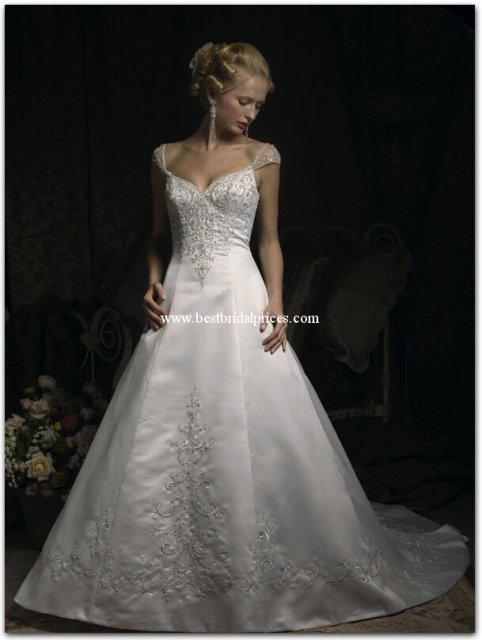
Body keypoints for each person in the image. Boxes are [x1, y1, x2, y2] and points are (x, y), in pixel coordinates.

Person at [13, 41, 470, 633]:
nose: (252, 113)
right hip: (179, 306)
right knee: (157, 434)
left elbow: (270, 241)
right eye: (244, 101)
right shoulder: (164, 158)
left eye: (258, 104)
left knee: (255, 429)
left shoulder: (264, 157)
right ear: (211, 93)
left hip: (241, 300)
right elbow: (158, 238)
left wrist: (277, 303)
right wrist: (152, 282)